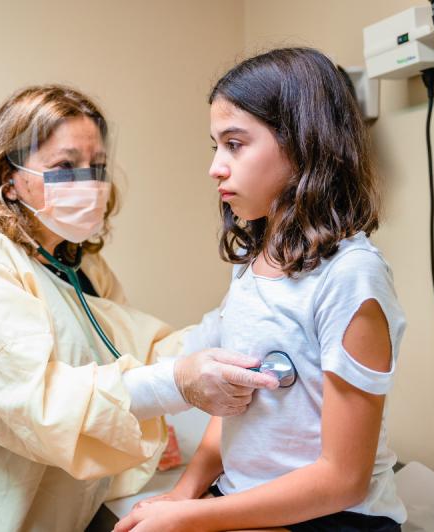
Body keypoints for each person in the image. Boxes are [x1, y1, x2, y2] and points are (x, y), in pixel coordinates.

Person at [0, 85, 278, 532]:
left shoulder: (76, 263)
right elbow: (32, 400)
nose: (88, 181)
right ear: (9, 177)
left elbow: (137, 351)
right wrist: (176, 384)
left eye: (97, 166)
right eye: (65, 166)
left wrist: (246, 310)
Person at [114, 48, 407, 532]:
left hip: (333, 516)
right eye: (215, 145)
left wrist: (197, 516)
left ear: (305, 144)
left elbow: (344, 479)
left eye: (234, 144)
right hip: (242, 495)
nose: (215, 166)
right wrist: (184, 494)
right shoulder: (256, 259)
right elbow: (235, 408)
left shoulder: (350, 276)